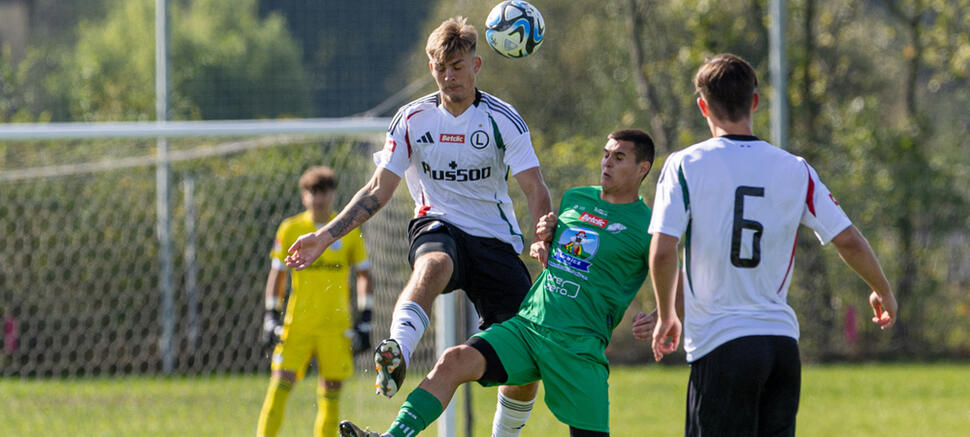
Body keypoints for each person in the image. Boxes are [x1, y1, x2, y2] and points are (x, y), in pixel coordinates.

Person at [285, 16, 553, 436]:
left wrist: (542, 236)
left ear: (477, 65)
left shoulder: (503, 120)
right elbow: (378, 189)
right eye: (441, 68)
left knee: (527, 358)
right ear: (432, 69)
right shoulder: (412, 120)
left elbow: (535, 189)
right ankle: (399, 350)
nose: (450, 77)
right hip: (437, 224)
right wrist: (324, 236)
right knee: (435, 264)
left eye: (458, 66)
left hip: (495, 241)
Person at [337, 129, 658, 437]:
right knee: (453, 361)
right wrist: (544, 240)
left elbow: (673, 272)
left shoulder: (648, 226)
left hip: (579, 345)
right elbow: (560, 243)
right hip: (529, 327)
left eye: (619, 157)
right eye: (605, 155)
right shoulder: (577, 199)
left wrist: (660, 316)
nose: (607, 162)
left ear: (642, 168)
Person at [644, 53, 898, 436]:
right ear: (755, 102)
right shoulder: (795, 168)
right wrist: (883, 290)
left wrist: (667, 314)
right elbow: (848, 240)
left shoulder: (685, 164)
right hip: (781, 348)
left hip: (722, 344)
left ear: (702, 106)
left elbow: (664, 250)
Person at [257, 166, 374, 437]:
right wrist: (270, 314)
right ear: (303, 195)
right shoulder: (291, 229)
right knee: (280, 383)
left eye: (324, 192)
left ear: (333, 194)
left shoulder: (345, 228)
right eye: (312, 192)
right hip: (298, 322)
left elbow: (364, 274)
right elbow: (278, 273)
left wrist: (366, 316)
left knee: (331, 391)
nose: (318, 198)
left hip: (335, 325)